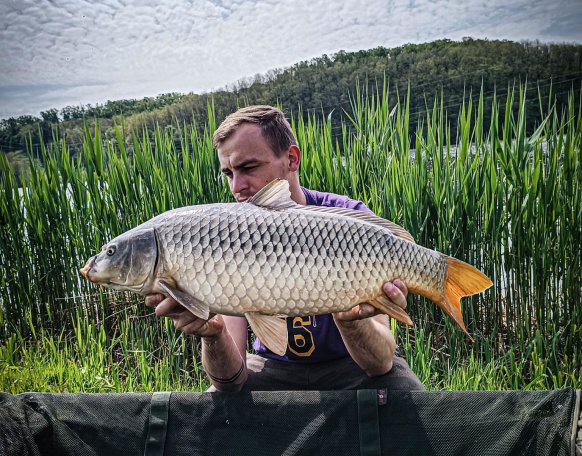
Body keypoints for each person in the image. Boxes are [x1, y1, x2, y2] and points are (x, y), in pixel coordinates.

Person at [145, 105, 425, 392]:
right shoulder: (227, 233)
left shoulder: (348, 221)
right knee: (213, 402)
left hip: (349, 366)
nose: (236, 186)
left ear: (291, 159)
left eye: (248, 167)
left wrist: (350, 321)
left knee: (403, 389)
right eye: (228, 173)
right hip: (273, 367)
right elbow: (231, 380)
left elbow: (379, 364)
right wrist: (212, 334)